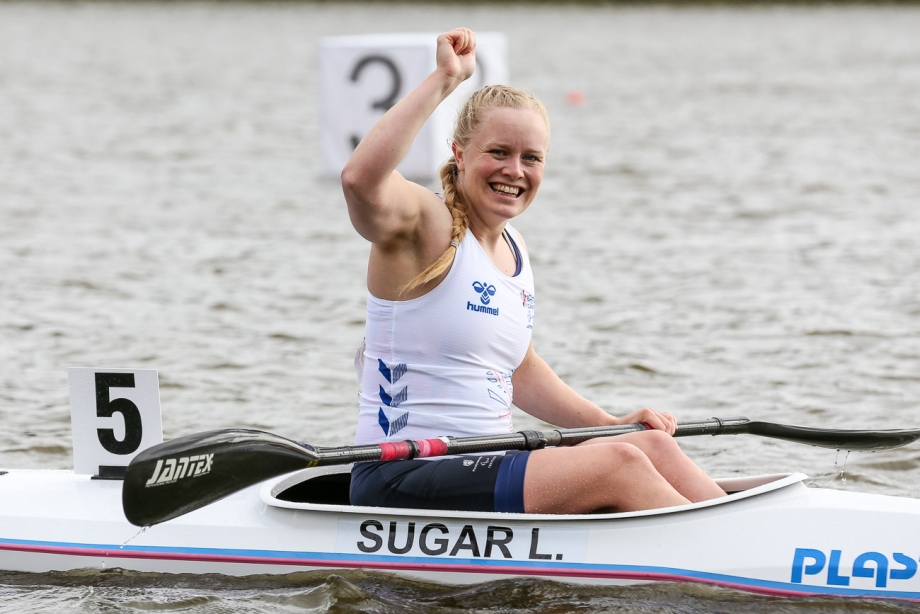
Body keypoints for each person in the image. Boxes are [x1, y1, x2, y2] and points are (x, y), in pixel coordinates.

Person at [341, 27, 726, 514]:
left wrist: (610, 423)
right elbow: (359, 180)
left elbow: (519, 369)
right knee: (620, 465)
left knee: (649, 446)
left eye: (531, 158)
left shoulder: (513, 247)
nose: (515, 171)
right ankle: (739, 566)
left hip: (480, 463)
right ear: (459, 154)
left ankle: (762, 537)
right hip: (399, 473)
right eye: (499, 153)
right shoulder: (425, 225)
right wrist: (444, 80)